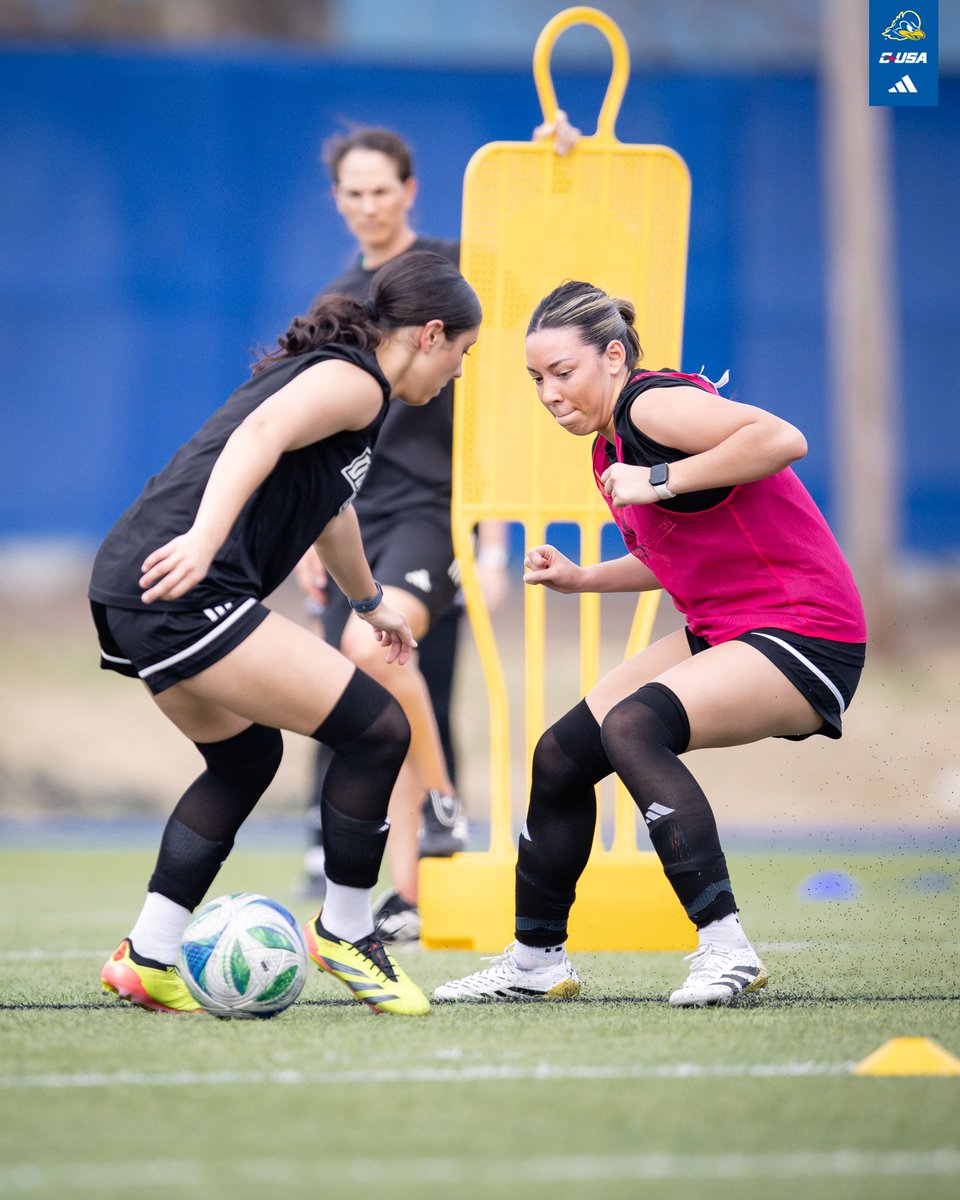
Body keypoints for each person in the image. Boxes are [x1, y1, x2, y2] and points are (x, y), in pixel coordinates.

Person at [434, 280, 866, 1007]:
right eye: (536, 379)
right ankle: (535, 962)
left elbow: (781, 439)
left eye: (562, 372)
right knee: (561, 756)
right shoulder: (608, 446)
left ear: (612, 357)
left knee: (633, 727)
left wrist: (660, 478)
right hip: (728, 627)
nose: (549, 394)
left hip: (804, 630)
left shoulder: (648, 405)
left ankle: (726, 949)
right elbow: (671, 552)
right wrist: (582, 578)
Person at [91, 250, 481, 1017]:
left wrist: (370, 604)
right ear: (431, 334)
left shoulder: (356, 391)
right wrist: (205, 541)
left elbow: (332, 510)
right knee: (378, 729)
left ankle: (148, 954)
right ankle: (346, 932)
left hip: (134, 583)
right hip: (183, 583)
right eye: (463, 353)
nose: (459, 373)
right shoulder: (357, 382)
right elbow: (260, 432)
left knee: (245, 759)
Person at [293, 125, 511, 938]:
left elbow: (493, 410)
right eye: (353, 192)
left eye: (381, 189)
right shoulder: (336, 300)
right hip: (349, 519)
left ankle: (446, 813)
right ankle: (410, 897)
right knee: (369, 704)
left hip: (435, 514)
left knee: (379, 654)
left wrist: (495, 545)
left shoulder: (454, 271)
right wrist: (307, 535)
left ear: (410, 190)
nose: (368, 205)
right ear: (337, 200)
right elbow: (315, 433)